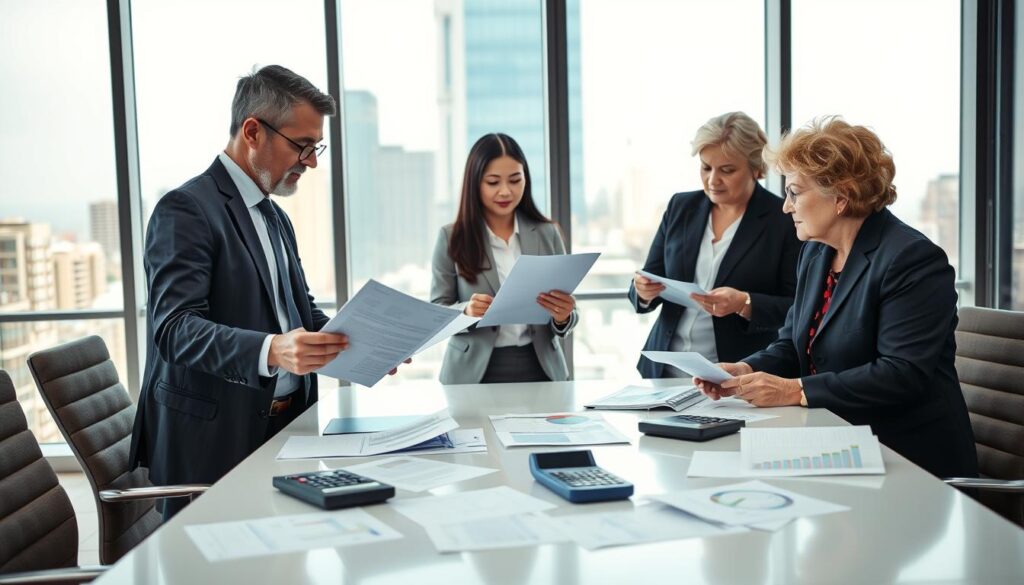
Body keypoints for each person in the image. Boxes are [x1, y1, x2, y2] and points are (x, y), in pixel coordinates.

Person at [695, 117, 978, 479]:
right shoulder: (816, 253)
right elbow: (791, 343)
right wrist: (746, 369)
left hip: (907, 459)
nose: (785, 207)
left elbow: (901, 374)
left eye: (795, 193)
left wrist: (794, 389)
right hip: (836, 443)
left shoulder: (912, 260)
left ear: (840, 196)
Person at [130, 65, 350, 519]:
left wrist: (364, 341)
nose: (311, 161)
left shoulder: (274, 215)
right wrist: (272, 350)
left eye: (315, 147)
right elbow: (174, 329)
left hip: (287, 425)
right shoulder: (186, 209)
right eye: (302, 146)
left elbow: (298, 310)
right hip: (213, 443)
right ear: (253, 131)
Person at [630, 112, 801, 378]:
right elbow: (646, 279)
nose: (712, 180)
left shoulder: (783, 220)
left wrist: (745, 303)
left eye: (727, 170)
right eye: (706, 167)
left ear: (756, 168)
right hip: (663, 371)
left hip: (734, 372)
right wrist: (642, 291)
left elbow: (796, 306)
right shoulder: (680, 207)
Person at [431, 133, 577, 384]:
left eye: (515, 180)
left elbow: (568, 308)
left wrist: (564, 314)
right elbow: (436, 311)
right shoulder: (451, 236)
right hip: (473, 372)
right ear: (475, 183)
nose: (505, 191)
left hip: (540, 367)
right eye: (493, 182)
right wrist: (466, 311)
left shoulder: (547, 233)